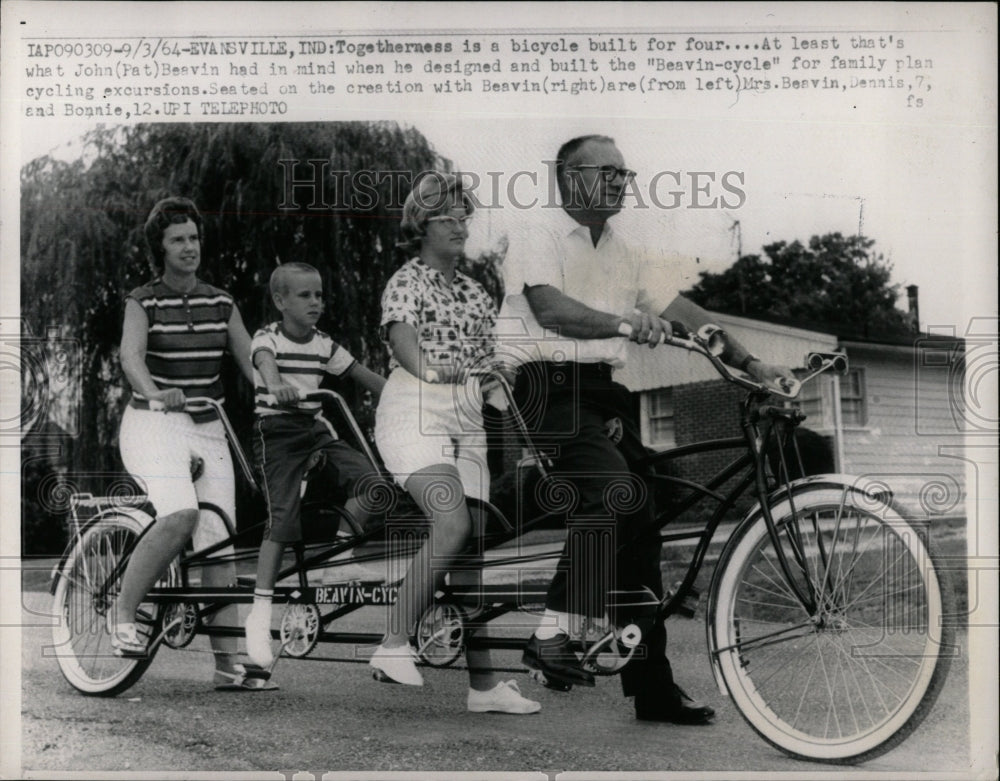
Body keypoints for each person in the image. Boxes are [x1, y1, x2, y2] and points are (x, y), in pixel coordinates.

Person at [498, 135, 793, 723]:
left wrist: (753, 364)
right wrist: (626, 323)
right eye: (607, 171)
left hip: (601, 396)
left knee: (644, 523)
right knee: (613, 493)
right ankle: (552, 633)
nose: (621, 181)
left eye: (624, 173)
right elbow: (551, 310)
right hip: (542, 386)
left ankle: (652, 686)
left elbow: (685, 314)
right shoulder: (537, 235)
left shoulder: (626, 254)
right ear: (569, 178)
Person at [369, 172, 540, 715]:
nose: (461, 225)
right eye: (449, 216)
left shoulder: (473, 292)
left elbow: (492, 370)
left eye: (465, 216)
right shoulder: (405, 281)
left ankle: (484, 685)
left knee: (472, 547)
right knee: (452, 522)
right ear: (422, 223)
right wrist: (442, 373)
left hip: (465, 421)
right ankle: (393, 644)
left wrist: (500, 389)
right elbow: (404, 346)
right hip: (413, 411)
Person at [112, 197, 264, 690]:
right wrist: (156, 392)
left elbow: (251, 361)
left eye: (193, 237)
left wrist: (275, 388)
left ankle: (226, 664)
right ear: (161, 247)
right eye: (177, 239)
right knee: (181, 515)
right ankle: (123, 617)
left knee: (220, 543)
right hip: (153, 423)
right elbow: (131, 357)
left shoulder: (221, 302)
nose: (188, 247)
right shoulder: (143, 300)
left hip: (208, 425)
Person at [244, 262, 386, 669]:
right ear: (280, 301)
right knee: (283, 519)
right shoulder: (266, 337)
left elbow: (360, 374)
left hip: (313, 428)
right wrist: (275, 384)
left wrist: (406, 393)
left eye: (319, 295)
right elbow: (265, 360)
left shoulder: (324, 343)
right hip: (277, 433)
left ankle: (339, 559)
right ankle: (258, 614)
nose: (316, 303)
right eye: (305, 295)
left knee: (372, 484)